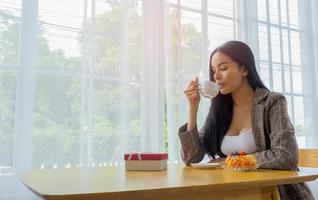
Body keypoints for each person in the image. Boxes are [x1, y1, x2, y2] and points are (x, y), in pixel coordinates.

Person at [179, 40, 314, 200]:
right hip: (232, 191)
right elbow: (191, 157)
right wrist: (192, 109)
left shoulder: (272, 102)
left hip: (273, 193)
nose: (216, 76)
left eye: (223, 68)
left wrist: (232, 161)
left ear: (244, 69)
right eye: (214, 70)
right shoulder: (218, 109)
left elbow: (286, 156)